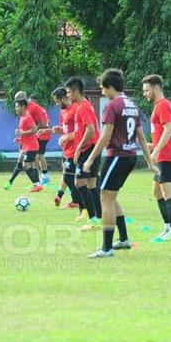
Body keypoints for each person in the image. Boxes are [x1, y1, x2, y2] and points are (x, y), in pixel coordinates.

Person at [83, 68, 159, 258]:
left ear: (110, 87)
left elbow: (106, 135)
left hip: (117, 155)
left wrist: (91, 158)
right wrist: (149, 162)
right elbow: (142, 138)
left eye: (103, 88)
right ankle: (124, 239)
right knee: (111, 196)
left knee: (105, 198)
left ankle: (106, 248)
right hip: (130, 156)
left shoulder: (112, 106)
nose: (102, 92)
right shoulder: (132, 105)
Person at [142, 74, 171, 242]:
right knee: (157, 192)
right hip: (163, 154)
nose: (145, 94)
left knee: (168, 193)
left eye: (147, 90)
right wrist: (151, 145)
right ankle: (167, 228)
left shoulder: (162, 105)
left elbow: (169, 129)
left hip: (167, 155)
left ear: (156, 88)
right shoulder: (161, 105)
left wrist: (155, 151)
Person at [65, 77, 102, 230]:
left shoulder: (83, 107)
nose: (67, 95)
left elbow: (90, 130)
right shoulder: (85, 105)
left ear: (75, 91)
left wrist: (78, 148)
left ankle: (93, 218)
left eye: (68, 92)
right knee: (92, 184)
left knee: (79, 183)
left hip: (89, 149)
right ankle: (98, 217)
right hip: (92, 148)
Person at [49, 87, 83, 213]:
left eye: (57, 101)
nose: (57, 104)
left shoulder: (76, 109)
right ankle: (74, 200)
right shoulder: (63, 112)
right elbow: (67, 129)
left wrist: (68, 136)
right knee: (68, 175)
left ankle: (79, 202)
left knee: (69, 177)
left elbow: (80, 130)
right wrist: (59, 130)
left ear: (64, 98)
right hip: (66, 149)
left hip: (75, 148)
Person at [13, 91, 51, 185]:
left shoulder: (33, 107)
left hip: (42, 134)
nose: (17, 104)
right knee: (33, 159)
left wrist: (32, 132)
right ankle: (37, 181)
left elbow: (42, 123)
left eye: (18, 101)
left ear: (24, 99)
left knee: (39, 155)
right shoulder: (25, 109)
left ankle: (45, 177)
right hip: (33, 135)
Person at [14, 99, 44, 192]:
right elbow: (27, 133)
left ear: (23, 107)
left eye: (17, 106)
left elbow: (34, 130)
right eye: (16, 106)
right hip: (27, 145)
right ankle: (37, 185)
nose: (16, 109)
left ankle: (37, 184)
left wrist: (21, 132)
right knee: (31, 165)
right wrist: (20, 139)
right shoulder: (22, 118)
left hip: (32, 145)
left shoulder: (27, 117)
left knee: (26, 165)